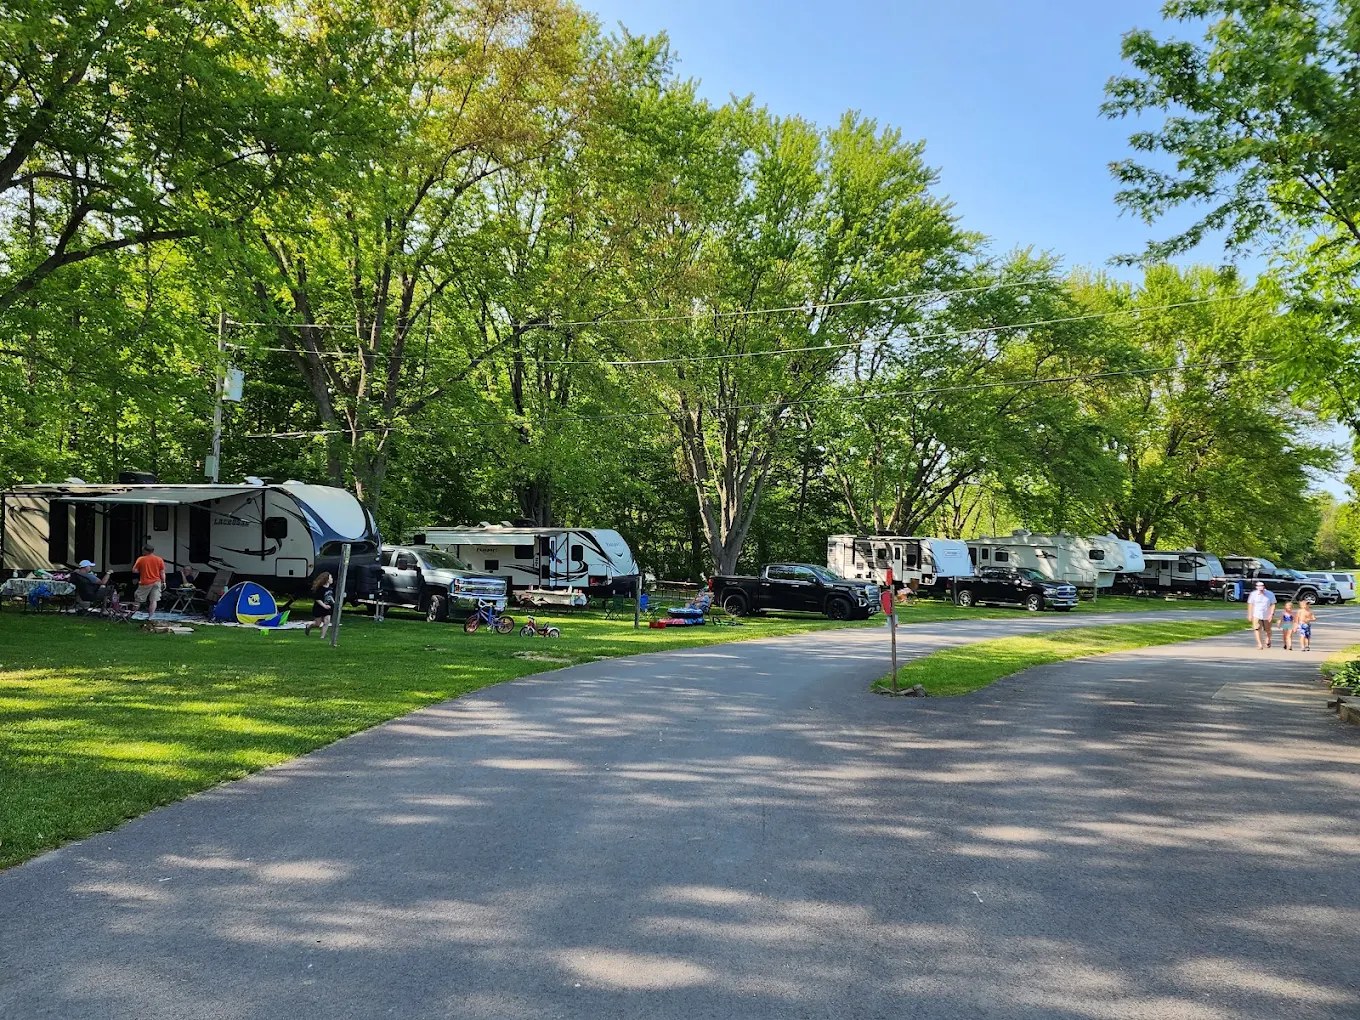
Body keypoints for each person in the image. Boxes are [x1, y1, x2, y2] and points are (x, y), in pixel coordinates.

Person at [131, 544, 167, 620]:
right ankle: (150, 617)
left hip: (145, 582)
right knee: (153, 600)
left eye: (143, 550)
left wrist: (142, 570)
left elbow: (134, 570)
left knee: (138, 600)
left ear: (145, 551)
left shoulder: (141, 559)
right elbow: (162, 572)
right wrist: (164, 582)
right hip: (157, 582)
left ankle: (131, 615)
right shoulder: (159, 559)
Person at [1245, 579, 1277, 650]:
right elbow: (1250, 604)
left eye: (1262, 587)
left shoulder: (1270, 594)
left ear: (1264, 587)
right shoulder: (1253, 594)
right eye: (1259, 587)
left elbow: (1273, 604)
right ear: (1256, 587)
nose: (1260, 589)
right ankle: (1259, 644)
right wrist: (1250, 614)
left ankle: (1268, 639)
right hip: (1256, 614)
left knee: (1268, 630)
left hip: (1267, 614)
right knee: (1257, 628)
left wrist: (1271, 614)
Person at [305, 571, 335, 638]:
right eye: (331, 577)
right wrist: (324, 606)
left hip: (328, 608)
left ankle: (322, 636)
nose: (332, 579)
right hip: (319, 607)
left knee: (327, 621)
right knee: (318, 624)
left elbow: (330, 597)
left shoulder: (331, 588)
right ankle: (309, 625)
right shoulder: (320, 588)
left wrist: (333, 602)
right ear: (326, 579)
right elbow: (317, 599)